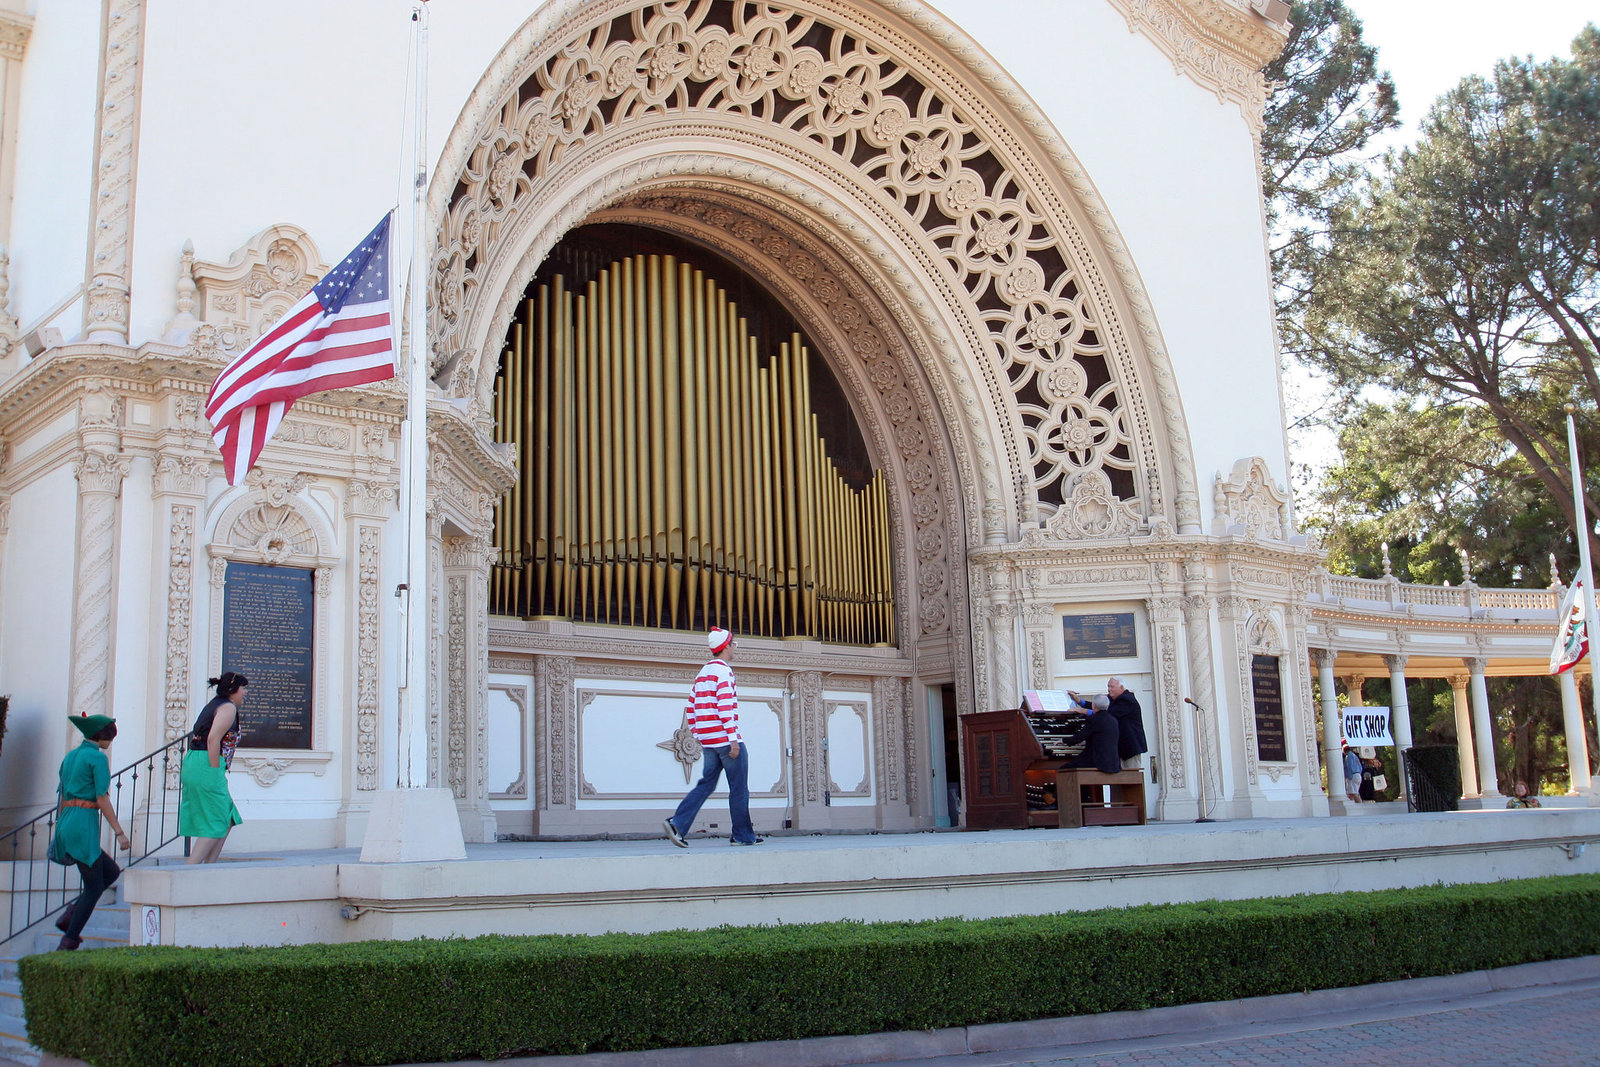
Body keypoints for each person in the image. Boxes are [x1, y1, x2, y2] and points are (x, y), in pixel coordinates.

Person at [663, 628, 763, 847]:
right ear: (726, 646)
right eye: (733, 643)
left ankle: (678, 823)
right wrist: (733, 739)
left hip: (709, 741)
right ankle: (742, 835)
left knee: (706, 784)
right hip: (726, 740)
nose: (735, 647)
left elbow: (690, 707)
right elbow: (725, 706)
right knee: (739, 789)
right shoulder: (724, 672)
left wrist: (699, 735)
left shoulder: (703, 673)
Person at [52, 712, 132, 950]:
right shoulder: (97, 759)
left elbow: (62, 794)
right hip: (83, 822)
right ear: (103, 737)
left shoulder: (71, 757)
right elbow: (102, 799)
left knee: (111, 872)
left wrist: (60, 828)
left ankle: (70, 917)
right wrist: (119, 833)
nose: (110, 743)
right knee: (95, 886)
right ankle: (69, 940)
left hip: (67, 821)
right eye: (110, 738)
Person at [179, 672, 246, 863]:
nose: (245, 693)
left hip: (197, 761)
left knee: (227, 816)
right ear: (233, 690)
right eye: (243, 688)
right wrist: (215, 770)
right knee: (216, 819)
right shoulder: (227, 707)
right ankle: (189, 870)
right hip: (206, 763)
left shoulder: (216, 705)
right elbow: (213, 738)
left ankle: (208, 867)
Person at [1061, 695, 1121, 775]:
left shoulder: (1094, 719)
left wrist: (1062, 740)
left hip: (1097, 761)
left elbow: (1078, 737)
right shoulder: (1113, 720)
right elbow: (1102, 737)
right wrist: (1086, 741)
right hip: (1113, 763)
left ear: (1094, 706)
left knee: (1063, 770)